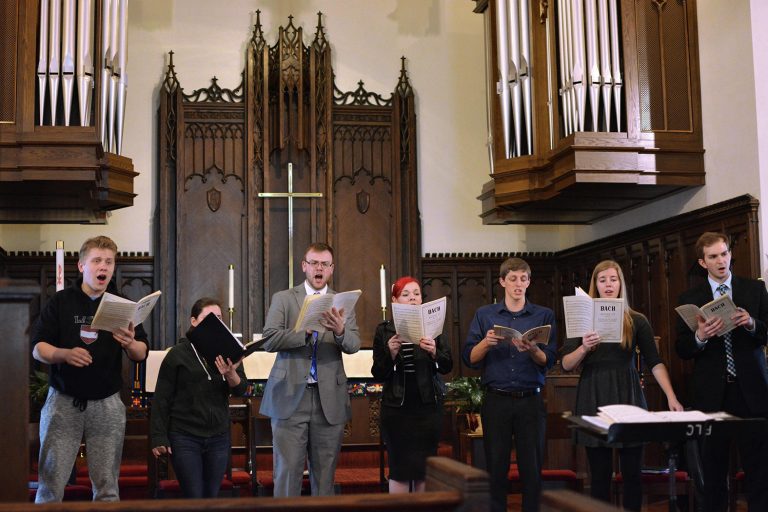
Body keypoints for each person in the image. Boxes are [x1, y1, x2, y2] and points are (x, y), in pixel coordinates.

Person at [31, 236, 149, 503]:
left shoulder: (121, 304)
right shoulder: (61, 302)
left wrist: (130, 343)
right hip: (63, 400)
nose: (103, 267)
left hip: (106, 401)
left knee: (107, 487)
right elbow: (38, 348)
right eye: (97, 260)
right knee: (50, 486)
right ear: (82, 265)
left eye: (109, 262)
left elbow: (142, 352)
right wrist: (63, 354)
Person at [561, 260, 683, 511]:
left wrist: (671, 396)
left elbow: (655, 362)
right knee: (600, 477)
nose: (608, 285)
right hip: (593, 393)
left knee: (632, 475)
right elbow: (565, 364)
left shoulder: (636, 320)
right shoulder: (584, 318)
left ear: (620, 284)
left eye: (613, 279)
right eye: (602, 280)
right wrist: (584, 347)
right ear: (595, 284)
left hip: (627, 394)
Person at [259, 242, 361, 496]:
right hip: (290, 396)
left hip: (329, 400)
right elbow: (269, 339)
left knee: (324, 478)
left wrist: (340, 331)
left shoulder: (343, 302)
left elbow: (354, 345)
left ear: (331, 269)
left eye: (325, 264)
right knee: (287, 474)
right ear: (304, 266)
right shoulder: (284, 299)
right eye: (314, 263)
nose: (319, 268)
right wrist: (303, 332)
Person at [675, 232, 768, 512]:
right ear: (703, 262)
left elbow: (765, 332)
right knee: (713, 469)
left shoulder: (753, 290)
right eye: (714, 257)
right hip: (712, 394)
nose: (721, 261)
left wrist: (751, 323)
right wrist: (700, 336)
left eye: (725, 254)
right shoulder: (690, 298)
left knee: (759, 468)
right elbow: (682, 348)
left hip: (751, 390)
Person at [462, 257, 558, 512]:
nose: (519, 284)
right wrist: (485, 343)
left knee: (532, 468)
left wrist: (533, 349)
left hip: (530, 400)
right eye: (513, 278)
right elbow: (469, 359)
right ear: (502, 281)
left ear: (529, 282)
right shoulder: (485, 314)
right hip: (497, 400)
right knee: (496, 467)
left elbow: (548, 360)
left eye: (523, 279)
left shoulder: (543, 314)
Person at [150, 297, 248, 498]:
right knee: (194, 496)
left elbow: (241, 390)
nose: (216, 323)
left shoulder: (229, 351)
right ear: (193, 321)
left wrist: (230, 373)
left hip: (218, 436)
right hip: (185, 436)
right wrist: (159, 436)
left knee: (211, 495)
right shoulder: (178, 354)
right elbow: (161, 399)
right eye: (210, 318)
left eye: (220, 318)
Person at [371, 276, 453, 493]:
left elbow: (447, 366)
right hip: (397, 409)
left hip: (428, 408)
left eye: (416, 294)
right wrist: (390, 352)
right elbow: (378, 373)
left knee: (425, 468)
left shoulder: (435, 328)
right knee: (399, 468)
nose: (412, 299)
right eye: (405, 295)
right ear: (395, 301)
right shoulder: (384, 330)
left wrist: (434, 351)